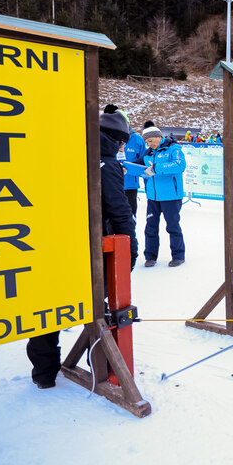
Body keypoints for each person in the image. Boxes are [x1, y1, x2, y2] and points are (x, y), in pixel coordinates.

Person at [27, 109, 139, 389]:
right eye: (121, 143)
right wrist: (131, 247)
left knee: (51, 302)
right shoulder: (107, 163)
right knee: (95, 304)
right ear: (115, 139)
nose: (121, 148)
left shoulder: (66, 152)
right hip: (91, 246)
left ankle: (43, 373)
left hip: (54, 241)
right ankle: (103, 367)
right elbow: (119, 210)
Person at [140, 126, 187, 267]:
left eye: (150, 140)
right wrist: (125, 168)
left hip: (170, 196)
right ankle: (150, 257)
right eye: (147, 142)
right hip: (153, 197)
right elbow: (139, 165)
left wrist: (157, 168)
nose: (149, 144)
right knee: (150, 228)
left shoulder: (173, 148)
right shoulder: (148, 153)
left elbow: (180, 165)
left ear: (159, 136)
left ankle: (178, 256)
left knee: (172, 227)